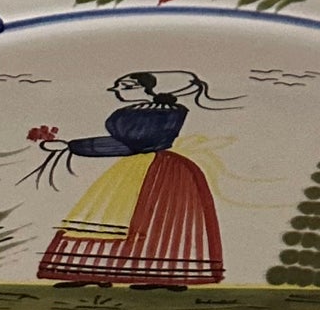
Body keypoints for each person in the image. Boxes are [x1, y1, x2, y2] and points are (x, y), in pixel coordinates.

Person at [27, 69, 227, 287]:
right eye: (118, 86)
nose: (117, 90)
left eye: (127, 86)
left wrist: (73, 146)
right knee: (110, 218)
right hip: (136, 167)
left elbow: (134, 145)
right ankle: (98, 273)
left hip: (158, 170)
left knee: (156, 220)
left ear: (149, 89)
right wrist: (72, 146)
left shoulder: (165, 114)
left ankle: (162, 276)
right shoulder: (132, 112)